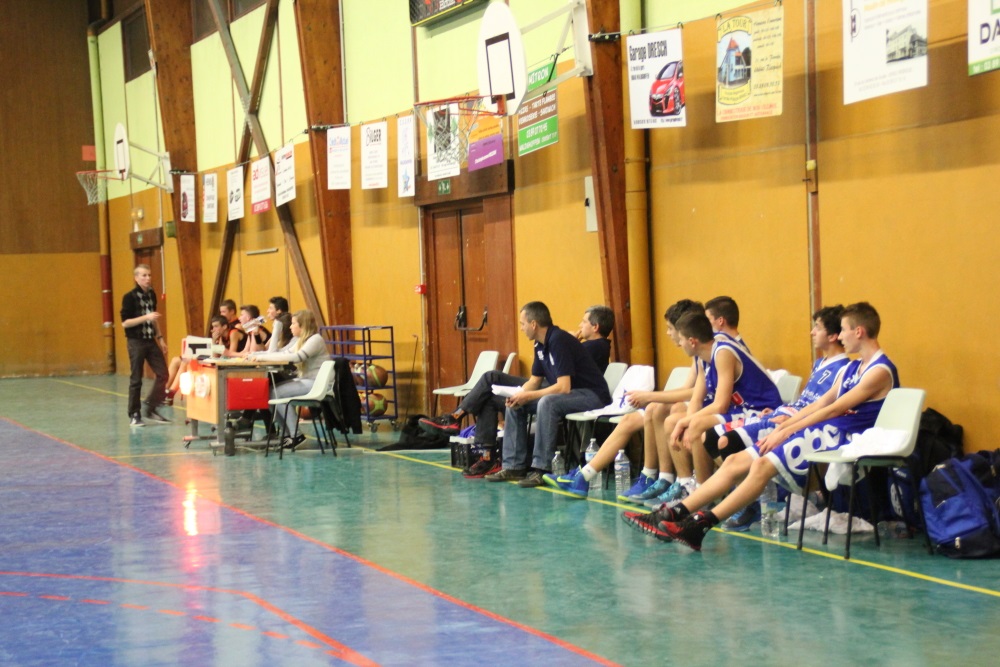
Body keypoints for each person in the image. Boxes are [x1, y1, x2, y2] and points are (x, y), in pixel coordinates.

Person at [631, 302, 899, 551]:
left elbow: (834, 409)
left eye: (843, 330)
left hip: (842, 434)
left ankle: (699, 525)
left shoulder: (880, 370)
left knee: (760, 465)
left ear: (859, 331)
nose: (840, 336)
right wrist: (786, 425)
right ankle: (672, 514)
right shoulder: (851, 368)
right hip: (818, 426)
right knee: (734, 461)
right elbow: (818, 404)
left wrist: (788, 429)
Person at [550, 311, 781, 500]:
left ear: (691, 339)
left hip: (760, 411)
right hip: (738, 410)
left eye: (674, 332)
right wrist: (684, 421)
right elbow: (697, 397)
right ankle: (684, 484)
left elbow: (719, 404)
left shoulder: (722, 351)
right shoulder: (705, 355)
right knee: (678, 420)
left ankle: (701, 491)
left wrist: (685, 420)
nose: (674, 339)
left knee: (688, 423)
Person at [705, 305, 850, 530]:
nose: (812, 332)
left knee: (727, 442)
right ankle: (752, 494)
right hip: (784, 414)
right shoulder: (820, 363)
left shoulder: (845, 368)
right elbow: (807, 400)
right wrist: (781, 411)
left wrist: (791, 422)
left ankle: (755, 501)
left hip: (798, 423)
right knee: (711, 438)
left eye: (817, 327)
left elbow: (825, 408)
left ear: (832, 336)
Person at [550, 299, 704, 499]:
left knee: (658, 408)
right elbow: (687, 389)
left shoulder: (711, 351)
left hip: (705, 409)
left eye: (670, 328)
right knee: (631, 419)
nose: (667, 333)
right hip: (693, 405)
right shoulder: (697, 356)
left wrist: (650, 396)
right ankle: (585, 475)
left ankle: (662, 478)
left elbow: (694, 393)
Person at [417, 305, 614, 454]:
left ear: (595, 327)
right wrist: (520, 393)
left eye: (584, 322)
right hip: (550, 385)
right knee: (490, 391)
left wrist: (570, 340)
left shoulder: (595, 346)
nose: (579, 326)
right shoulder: (547, 344)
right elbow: (537, 378)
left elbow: (564, 378)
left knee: (493, 377)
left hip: (563, 390)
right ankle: (485, 454)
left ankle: (455, 419)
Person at [482, 302, 611, 488]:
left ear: (534, 324)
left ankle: (542, 469)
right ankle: (513, 466)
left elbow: (563, 387)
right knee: (516, 404)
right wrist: (518, 395)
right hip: (573, 394)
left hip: (592, 395)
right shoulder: (539, 344)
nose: (521, 328)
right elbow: (535, 380)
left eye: (523, 324)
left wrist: (529, 396)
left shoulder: (559, 340)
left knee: (547, 402)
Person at [248, 310, 328, 449]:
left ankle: (296, 435)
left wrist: (261, 357)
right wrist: (255, 355)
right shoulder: (302, 341)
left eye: (293, 323)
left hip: (316, 384)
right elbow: (282, 353)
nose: (290, 327)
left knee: (277, 393)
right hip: (307, 381)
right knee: (268, 392)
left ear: (303, 325)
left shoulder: (315, 339)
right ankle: (286, 435)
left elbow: (297, 357)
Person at [120, 264, 170, 426]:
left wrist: (160, 338)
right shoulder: (129, 297)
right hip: (136, 341)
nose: (148, 278)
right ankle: (134, 414)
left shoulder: (151, 295)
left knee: (163, 374)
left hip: (150, 340)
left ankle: (151, 407)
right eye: (144, 275)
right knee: (136, 379)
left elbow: (154, 319)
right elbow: (125, 323)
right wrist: (145, 317)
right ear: (136, 278)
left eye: (149, 275)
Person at [164, 315, 229, 403]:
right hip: (213, 359)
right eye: (213, 327)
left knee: (185, 362)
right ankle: (164, 391)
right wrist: (214, 341)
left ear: (224, 326)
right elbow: (215, 355)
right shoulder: (220, 337)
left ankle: (171, 392)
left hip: (225, 364)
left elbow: (222, 355)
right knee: (177, 360)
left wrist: (214, 342)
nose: (213, 329)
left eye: (216, 326)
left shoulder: (233, 333)